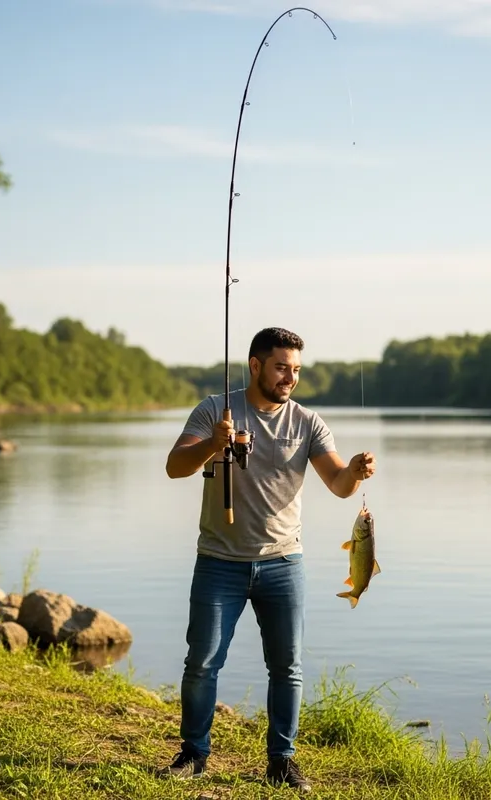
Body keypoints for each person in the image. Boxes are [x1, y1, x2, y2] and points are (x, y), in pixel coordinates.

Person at [163, 327, 376, 793]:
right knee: (201, 662)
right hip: (218, 561)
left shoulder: (308, 423)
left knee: (288, 667)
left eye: (296, 370)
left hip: (284, 564)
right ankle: (193, 754)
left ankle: (282, 761)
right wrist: (212, 445)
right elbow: (175, 466)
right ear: (256, 365)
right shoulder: (213, 411)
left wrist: (355, 474)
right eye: (281, 367)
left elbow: (338, 484)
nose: (290, 378)